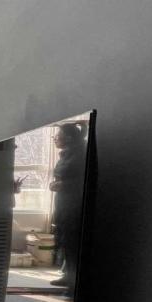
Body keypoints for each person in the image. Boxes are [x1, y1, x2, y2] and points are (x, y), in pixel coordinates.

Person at [49, 122, 87, 291]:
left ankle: (74, 280)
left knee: (72, 240)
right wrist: (56, 184)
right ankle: (69, 275)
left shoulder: (80, 154)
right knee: (65, 239)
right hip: (64, 202)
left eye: (57, 136)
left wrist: (64, 185)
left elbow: (84, 180)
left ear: (69, 138)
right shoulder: (67, 154)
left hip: (74, 205)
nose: (55, 139)